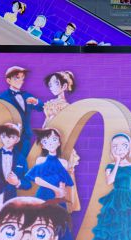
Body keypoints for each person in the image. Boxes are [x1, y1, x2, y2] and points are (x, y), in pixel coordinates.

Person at [25, 128, 75, 240]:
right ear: (43, 144)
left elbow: (63, 183)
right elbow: (38, 180)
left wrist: (60, 192)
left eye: (54, 139)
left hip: (57, 201)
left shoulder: (63, 163)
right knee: (42, 230)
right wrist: (55, 189)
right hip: (43, 198)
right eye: (46, 140)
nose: (51, 143)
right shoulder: (41, 160)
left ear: (59, 142)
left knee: (55, 232)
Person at [42, 70, 81, 212]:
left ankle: (62, 205)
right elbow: (46, 124)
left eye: (55, 83)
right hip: (49, 143)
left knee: (62, 175)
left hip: (61, 144)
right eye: (50, 84)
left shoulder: (66, 107)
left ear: (64, 86)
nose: (52, 87)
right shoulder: (50, 104)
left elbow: (66, 128)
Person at [0, 66, 42, 157]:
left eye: (22, 78)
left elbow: (41, 108)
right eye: (16, 78)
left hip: (26, 135)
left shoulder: (27, 95)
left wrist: (36, 102)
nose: (20, 81)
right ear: (8, 80)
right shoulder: (2, 97)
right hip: (11, 135)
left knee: (24, 159)